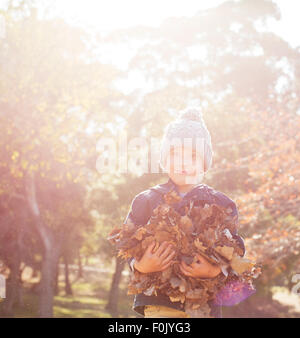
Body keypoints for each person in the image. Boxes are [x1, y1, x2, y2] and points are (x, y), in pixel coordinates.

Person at [123, 107, 246, 318]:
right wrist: (141, 265)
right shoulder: (147, 200)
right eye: (175, 154)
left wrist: (215, 270)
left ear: (204, 163)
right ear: (164, 159)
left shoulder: (222, 204)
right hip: (160, 303)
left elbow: (236, 249)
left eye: (192, 155)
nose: (183, 162)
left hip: (204, 305)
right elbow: (127, 242)